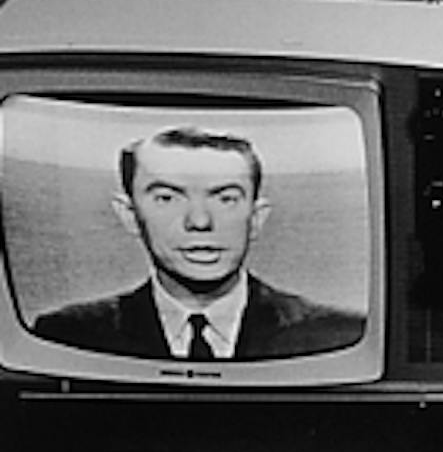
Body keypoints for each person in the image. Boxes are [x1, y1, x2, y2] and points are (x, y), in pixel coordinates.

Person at [34, 125, 365, 361]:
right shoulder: (69, 334)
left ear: (256, 218)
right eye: (167, 198)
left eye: (225, 198)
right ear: (130, 215)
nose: (200, 221)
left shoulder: (336, 334)